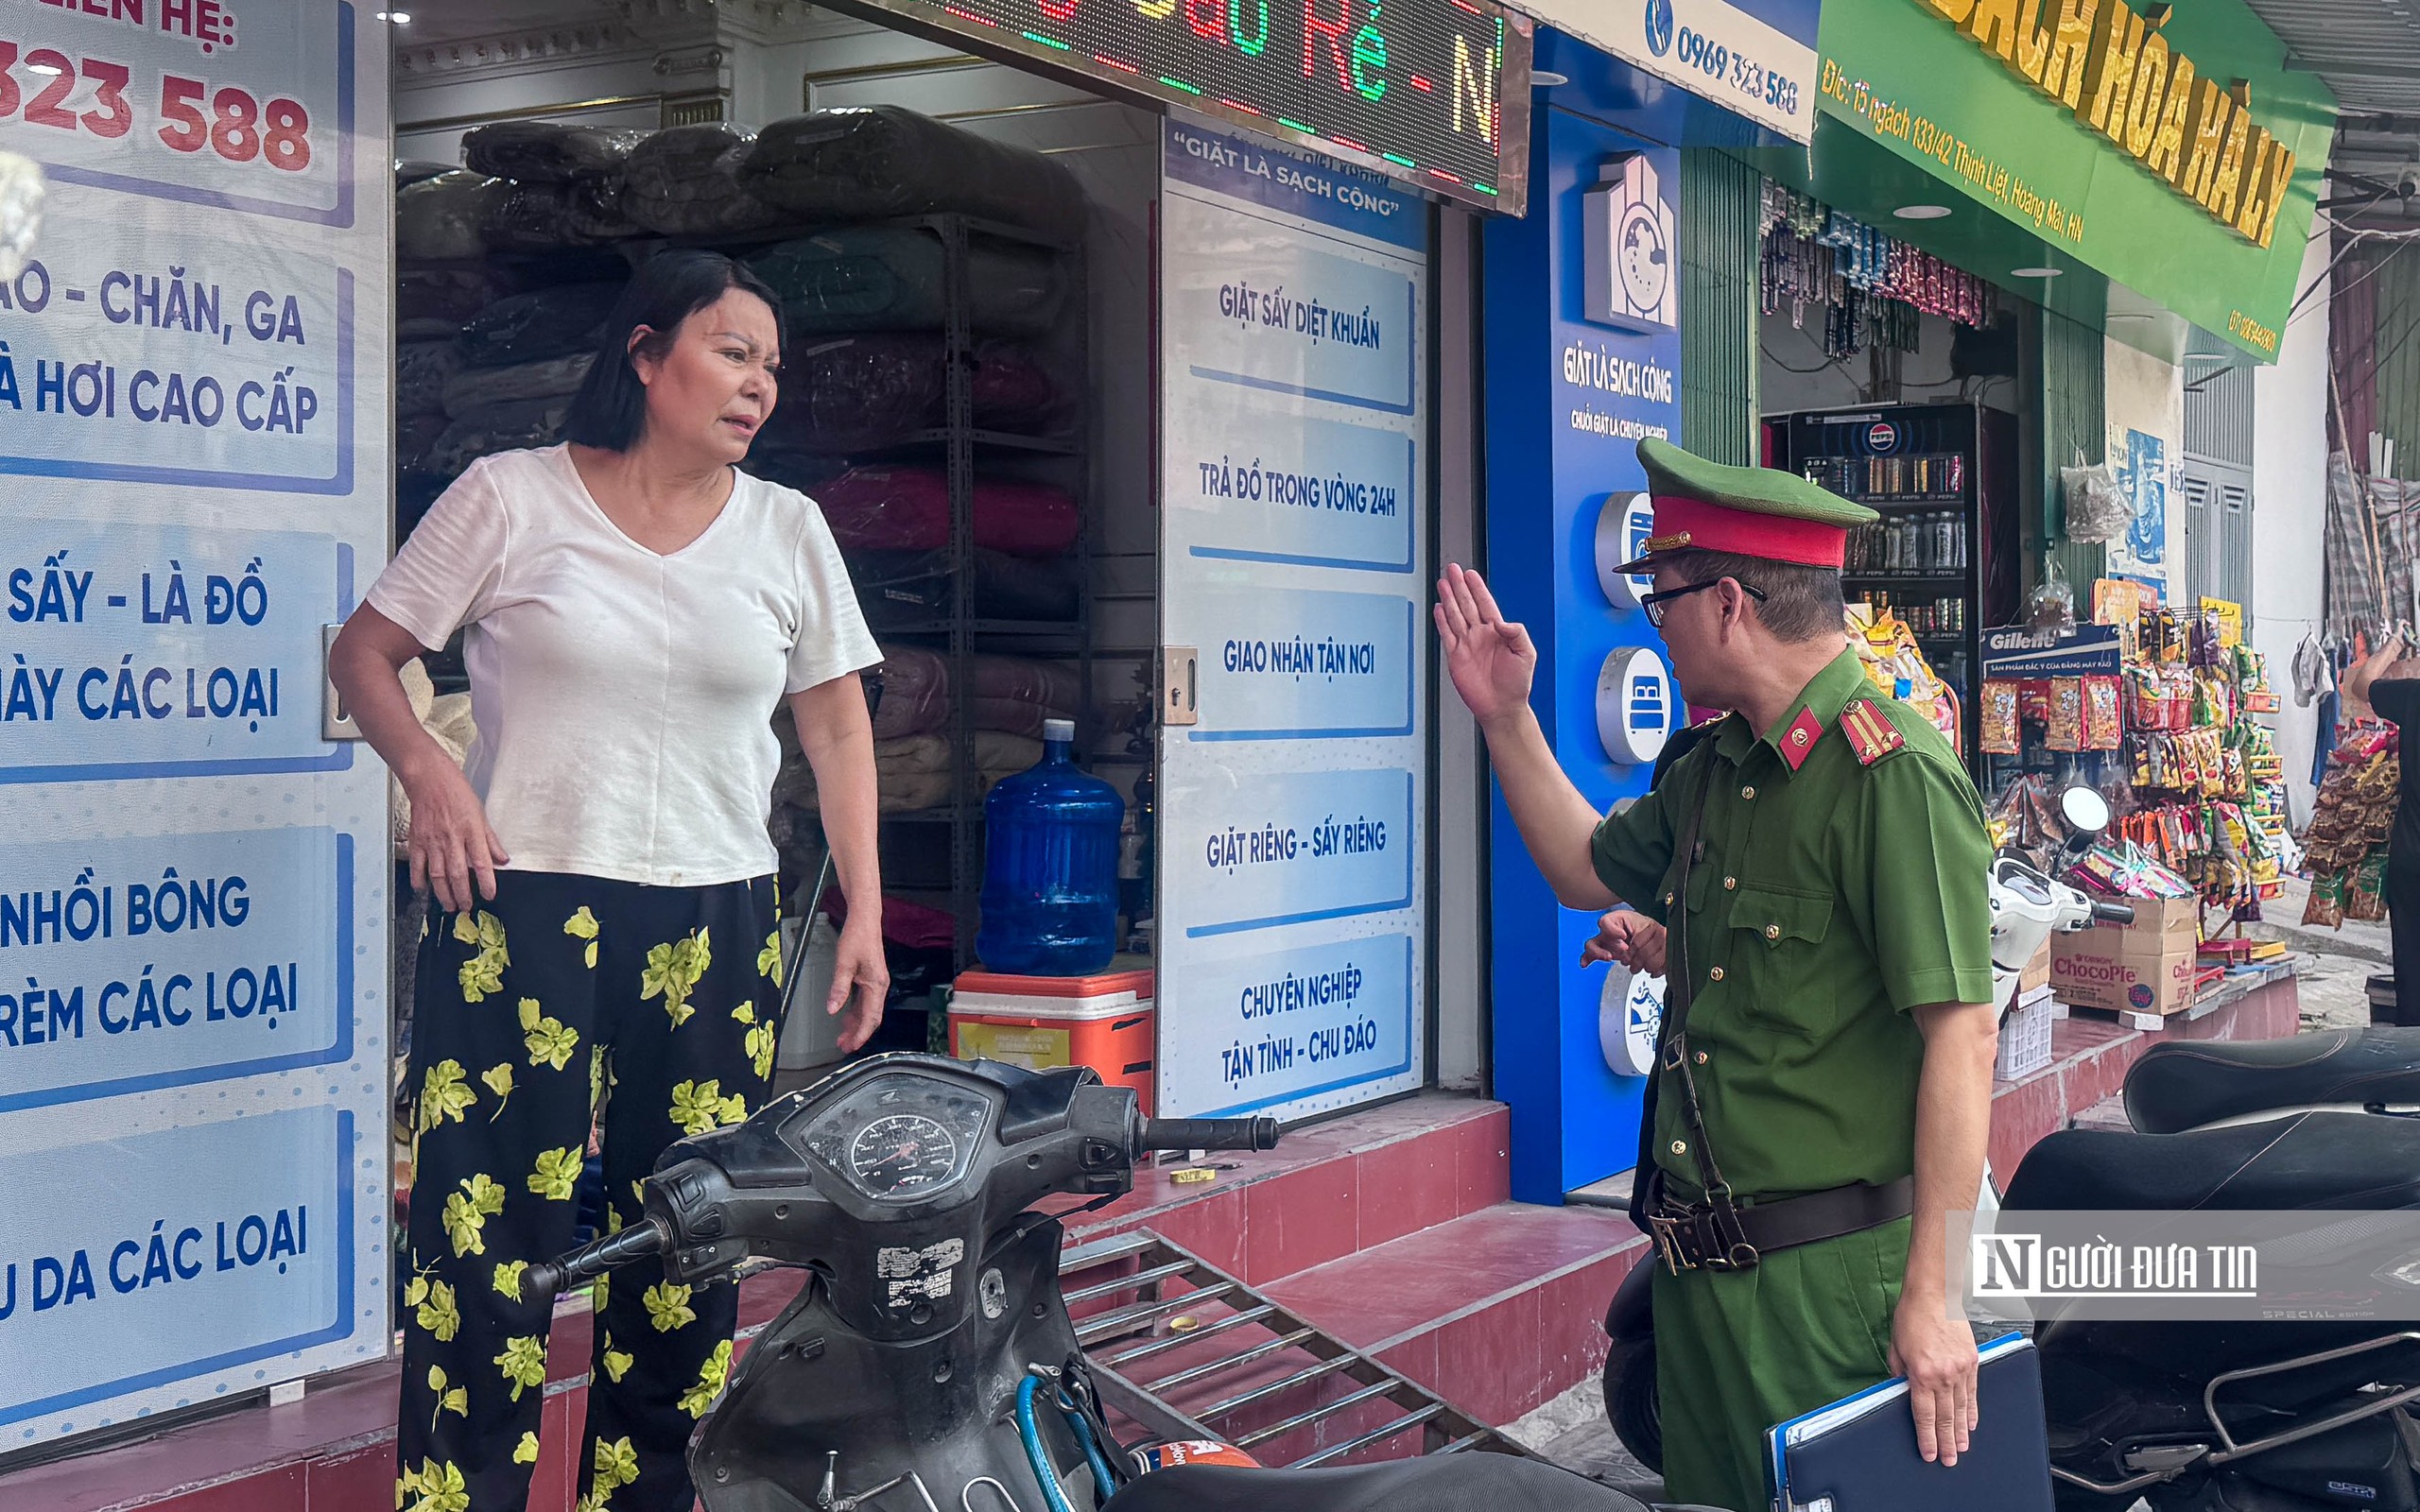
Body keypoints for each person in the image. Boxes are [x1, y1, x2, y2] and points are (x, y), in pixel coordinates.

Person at [332, 249, 889, 1512]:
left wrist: (860, 904)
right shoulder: (509, 496)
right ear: (645, 355)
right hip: (517, 906)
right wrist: (430, 771)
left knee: (690, 1245)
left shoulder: (787, 529)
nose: (759, 385)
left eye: (772, 367)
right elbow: (367, 653)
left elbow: (837, 723)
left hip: (716, 916)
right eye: (732, 352)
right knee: (484, 1247)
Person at [1434, 437, 1998, 1512]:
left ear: (1729, 603)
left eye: (1665, 600)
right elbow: (1582, 866)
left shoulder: (1890, 776)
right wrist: (1505, 715)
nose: (1656, 624)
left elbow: (1963, 1035)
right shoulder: (1713, 767)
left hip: (1833, 1290)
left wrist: (1933, 1296)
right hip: (1700, 1281)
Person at [2343, 629, 2420, 1024]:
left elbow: (2361, 684)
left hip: (2412, 859)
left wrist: (2394, 644)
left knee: (2412, 967)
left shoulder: (2413, 696)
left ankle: (2410, 1054)